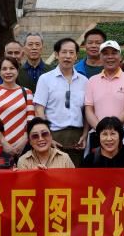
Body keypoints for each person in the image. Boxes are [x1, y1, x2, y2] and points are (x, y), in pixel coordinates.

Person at [34, 37, 88, 165]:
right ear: (57, 55)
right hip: (54, 134)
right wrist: (47, 136)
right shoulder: (45, 79)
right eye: (64, 52)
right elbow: (39, 109)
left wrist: (85, 135)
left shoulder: (84, 81)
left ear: (76, 56)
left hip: (77, 136)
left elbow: (87, 111)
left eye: (71, 52)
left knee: (76, 174)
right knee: (54, 174)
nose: (67, 56)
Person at [84, 41, 124, 157]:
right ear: (100, 57)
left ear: (120, 57)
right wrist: (101, 130)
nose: (110, 57)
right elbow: (89, 110)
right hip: (98, 133)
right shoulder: (92, 81)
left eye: (114, 53)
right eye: (105, 54)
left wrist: (112, 128)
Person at [0, 56, 35, 155]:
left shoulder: (27, 92)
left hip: (24, 145)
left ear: (17, 71)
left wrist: (24, 141)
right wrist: (4, 144)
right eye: (4, 69)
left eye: (12, 68)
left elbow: (31, 120)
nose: (8, 72)